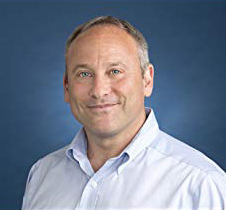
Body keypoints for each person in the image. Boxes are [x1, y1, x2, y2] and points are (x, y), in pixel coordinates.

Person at [21, 16, 226, 210]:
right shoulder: (42, 174)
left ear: (147, 80)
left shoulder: (201, 184)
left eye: (115, 71)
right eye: (84, 74)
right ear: (67, 87)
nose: (99, 90)